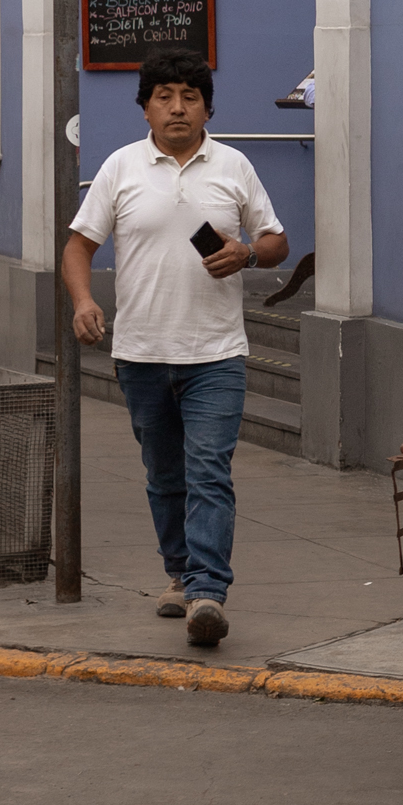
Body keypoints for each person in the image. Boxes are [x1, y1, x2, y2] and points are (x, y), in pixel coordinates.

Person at [61, 53, 288, 649]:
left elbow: (277, 240)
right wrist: (84, 302)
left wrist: (249, 254)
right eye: (165, 95)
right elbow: (78, 247)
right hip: (141, 352)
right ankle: (179, 573)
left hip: (215, 353)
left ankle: (207, 591)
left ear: (207, 107)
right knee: (164, 475)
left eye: (190, 95)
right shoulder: (121, 168)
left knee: (209, 469)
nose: (178, 106)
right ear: (145, 107)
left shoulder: (234, 166)